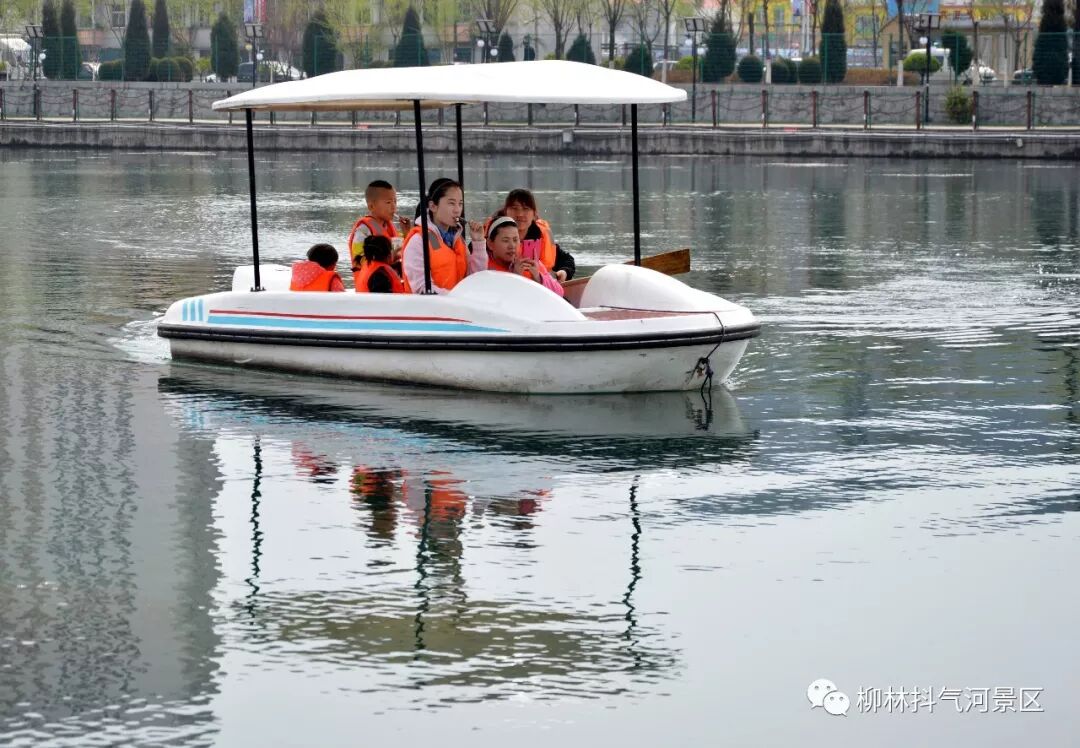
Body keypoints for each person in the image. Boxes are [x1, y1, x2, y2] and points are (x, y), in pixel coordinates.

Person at [401, 179, 487, 294]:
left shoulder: (457, 240)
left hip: (458, 304)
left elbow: (475, 280)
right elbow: (422, 289)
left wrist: (478, 243)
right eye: (451, 203)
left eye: (460, 204)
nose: (457, 210)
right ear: (433, 206)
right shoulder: (419, 241)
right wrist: (456, 298)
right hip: (431, 305)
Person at [503, 188, 576, 282]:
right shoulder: (494, 236)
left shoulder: (541, 236)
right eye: (514, 208)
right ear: (505, 212)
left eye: (526, 208)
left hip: (540, 287)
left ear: (534, 214)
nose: (520, 214)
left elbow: (567, 260)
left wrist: (564, 272)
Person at [486, 215, 565, 297]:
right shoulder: (483, 267)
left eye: (515, 240)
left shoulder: (528, 261)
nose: (512, 246)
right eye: (505, 240)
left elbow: (560, 292)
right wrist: (516, 277)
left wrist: (538, 277)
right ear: (490, 244)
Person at [346, 180, 411, 266]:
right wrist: (391, 257)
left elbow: (399, 251)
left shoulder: (390, 227)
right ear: (371, 206)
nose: (393, 207)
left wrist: (406, 233)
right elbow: (359, 260)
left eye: (395, 202)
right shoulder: (363, 230)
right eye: (388, 202)